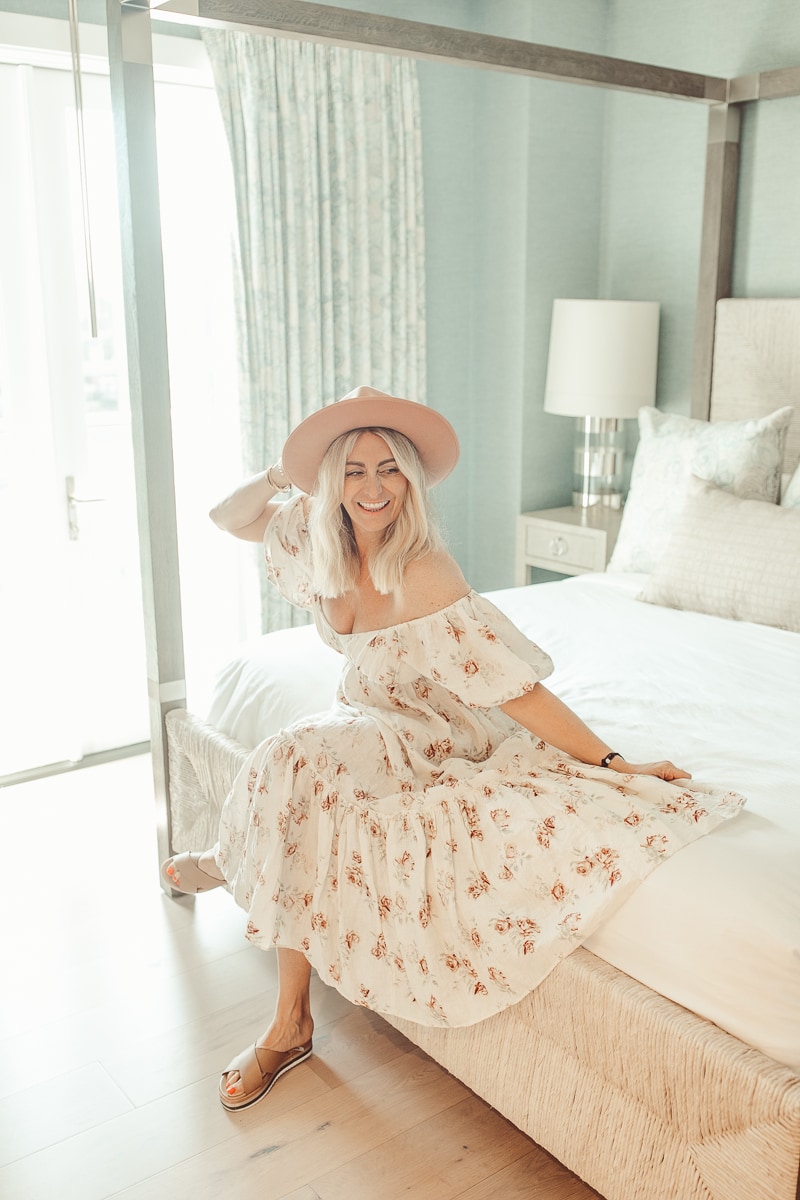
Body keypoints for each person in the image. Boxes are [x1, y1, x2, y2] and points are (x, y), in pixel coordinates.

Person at [161, 385, 743, 1113]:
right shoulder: (316, 540)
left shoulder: (425, 571)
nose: (374, 488)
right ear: (331, 482)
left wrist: (611, 762)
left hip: (437, 737)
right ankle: (271, 951)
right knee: (302, 769)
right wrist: (289, 470)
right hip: (369, 718)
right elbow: (227, 517)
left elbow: (514, 690)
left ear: (411, 478)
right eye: (354, 470)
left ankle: (267, 960)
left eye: (391, 469)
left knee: (294, 757)